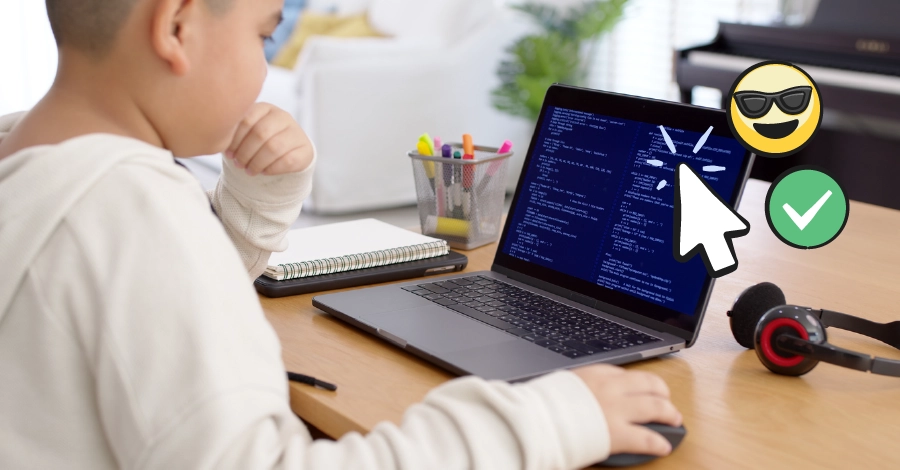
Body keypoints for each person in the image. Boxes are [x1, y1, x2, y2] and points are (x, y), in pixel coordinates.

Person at [0, 0, 682, 468]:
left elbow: (137, 319)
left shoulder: (35, 166)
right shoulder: (135, 214)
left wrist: (253, 199)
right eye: (264, 33)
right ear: (177, 27)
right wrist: (546, 421)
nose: (266, 62)